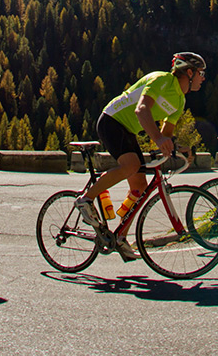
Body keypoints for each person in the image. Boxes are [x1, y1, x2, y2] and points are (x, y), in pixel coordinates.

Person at [74, 52, 207, 259]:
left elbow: (166, 133)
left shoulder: (180, 101)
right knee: (131, 165)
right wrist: (159, 139)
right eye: (201, 73)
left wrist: (176, 146)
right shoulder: (161, 80)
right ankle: (85, 199)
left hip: (128, 131)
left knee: (140, 187)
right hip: (111, 120)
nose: (203, 78)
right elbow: (141, 110)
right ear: (189, 72)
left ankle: (120, 237)